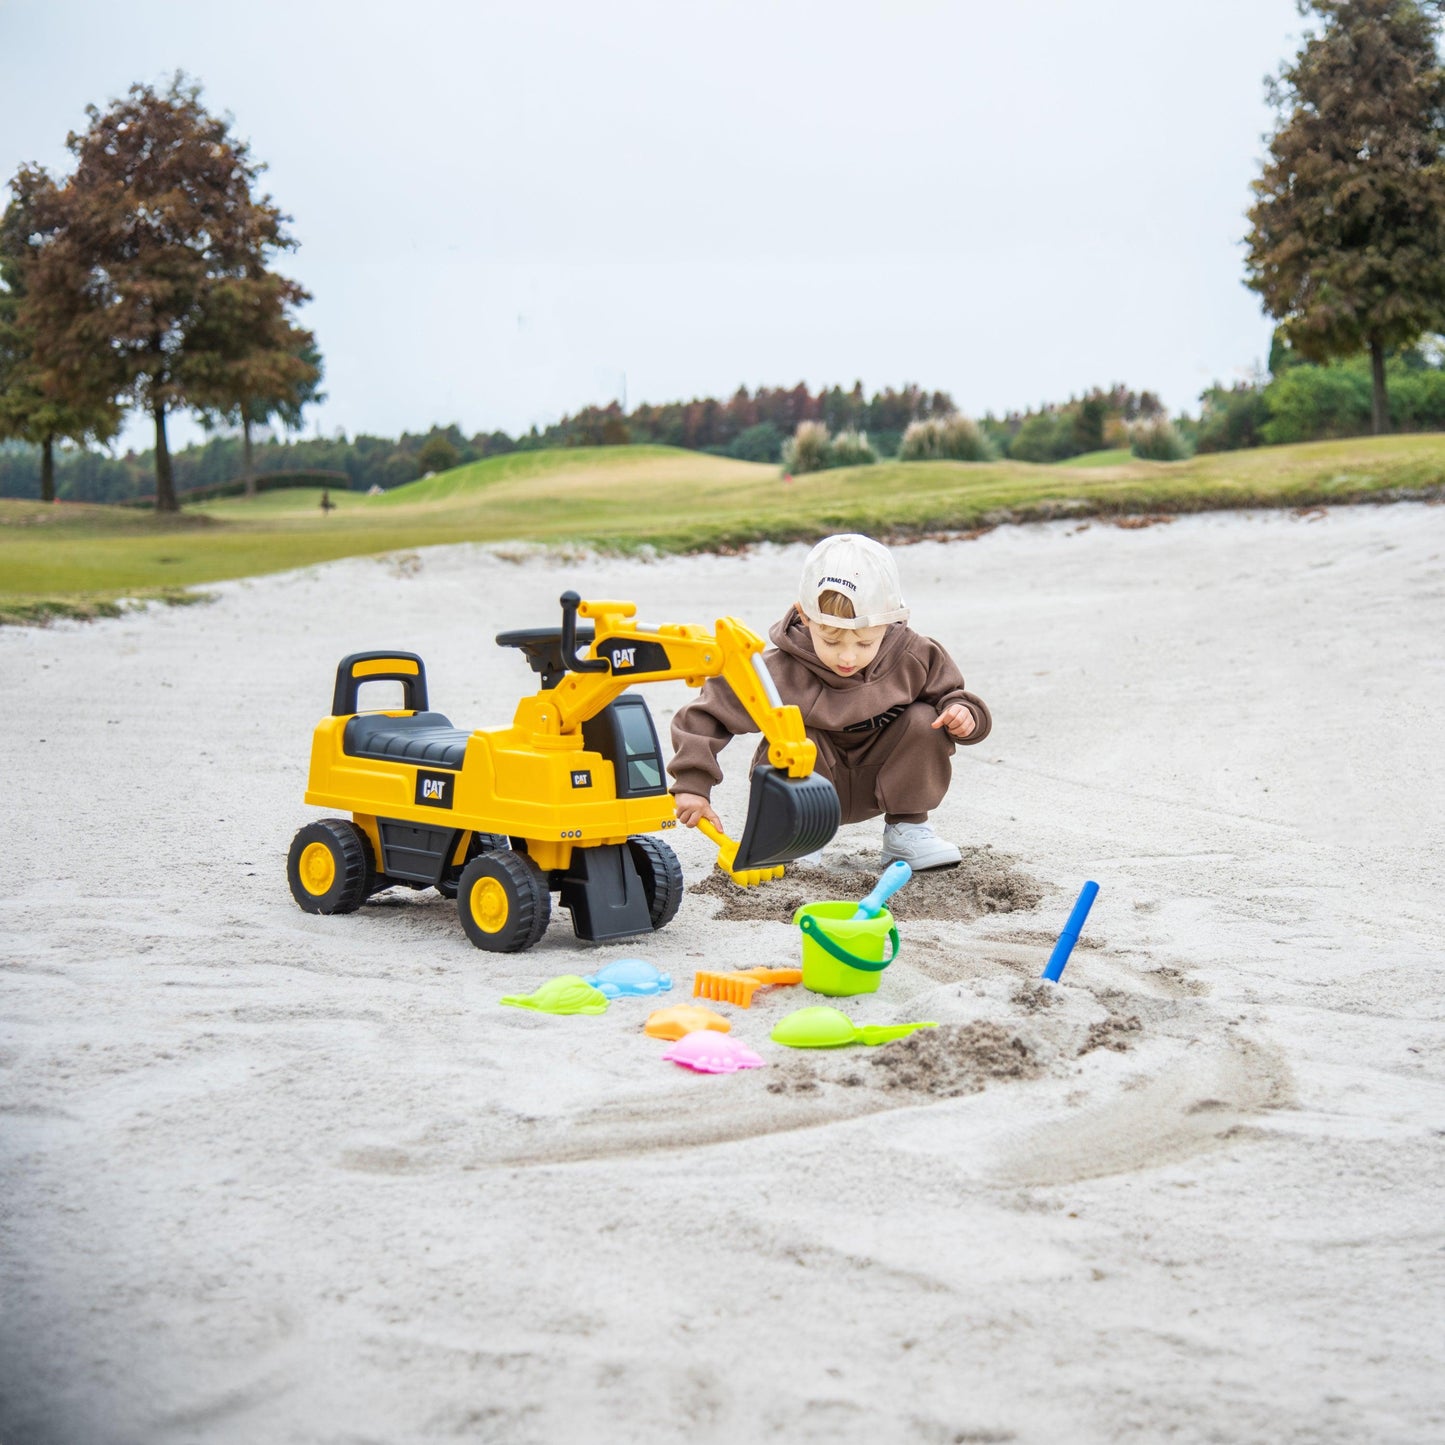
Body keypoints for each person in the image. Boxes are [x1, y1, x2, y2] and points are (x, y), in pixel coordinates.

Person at [668, 533, 991, 870]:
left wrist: (963, 714)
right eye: (831, 641)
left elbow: (952, 695)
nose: (847, 657)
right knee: (794, 733)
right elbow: (707, 714)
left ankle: (907, 831)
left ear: (890, 621)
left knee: (925, 719)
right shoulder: (777, 670)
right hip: (807, 787)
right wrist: (693, 783)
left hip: (884, 778)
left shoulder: (914, 654)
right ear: (805, 617)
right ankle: (797, 836)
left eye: (864, 644)